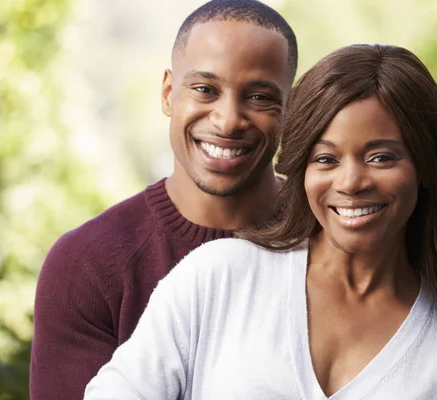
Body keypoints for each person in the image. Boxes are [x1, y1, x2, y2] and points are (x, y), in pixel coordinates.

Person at [84, 44, 437, 399]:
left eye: (381, 157)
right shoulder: (218, 280)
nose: (351, 182)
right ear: (302, 170)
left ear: (426, 167)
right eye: (326, 159)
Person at [30, 1, 298, 398]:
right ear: (169, 92)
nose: (227, 120)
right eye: (205, 89)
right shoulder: (86, 265)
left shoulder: (337, 234)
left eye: (259, 97)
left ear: (290, 110)